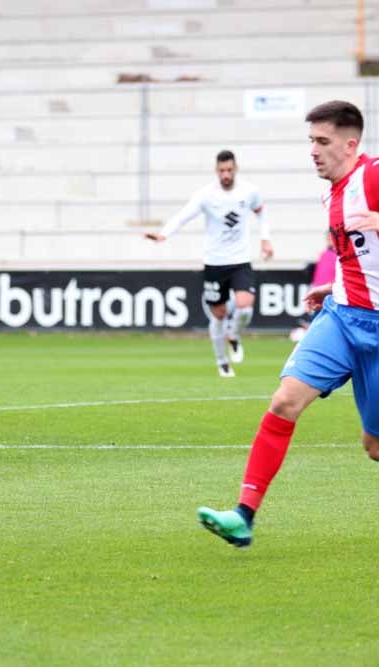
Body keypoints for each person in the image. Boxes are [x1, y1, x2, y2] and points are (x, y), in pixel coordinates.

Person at [197, 100, 379, 547]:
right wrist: (332, 284)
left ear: (350, 143)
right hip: (340, 316)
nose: (313, 151)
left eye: (322, 142)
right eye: (310, 142)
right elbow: (356, 249)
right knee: (284, 401)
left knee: (374, 446)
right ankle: (243, 515)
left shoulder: (374, 176)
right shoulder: (330, 190)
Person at [145, 150, 273, 377]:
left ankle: (233, 334)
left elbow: (261, 213)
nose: (226, 174)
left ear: (236, 169)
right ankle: (222, 361)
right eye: (222, 171)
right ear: (217, 171)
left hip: (240, 259)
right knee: (219, 313)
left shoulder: (249, 192)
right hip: (215, 262)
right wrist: (164, 234)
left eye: (229, 170)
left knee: (245, 305)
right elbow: (184, 215)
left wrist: (265, 240)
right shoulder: (206, 195)